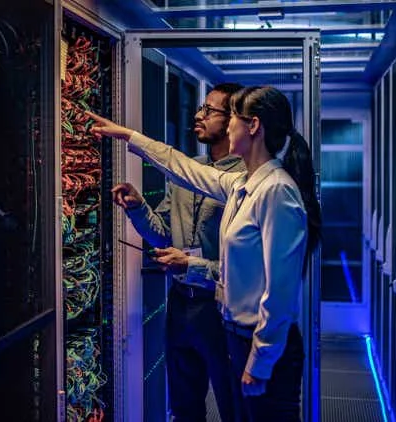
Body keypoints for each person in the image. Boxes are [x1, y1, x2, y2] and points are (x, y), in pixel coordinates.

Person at [86, 85, 322, 422]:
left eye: (232, 119)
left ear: (252, 126)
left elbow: (281, 292)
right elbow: (182, 167)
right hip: (238, 336)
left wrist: (261, 361)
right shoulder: (243, 185)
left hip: (261, 345)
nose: (227, 128)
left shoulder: (277, 191)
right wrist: (128, 136)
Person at [111, 83, 245, 422]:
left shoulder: (246, 180)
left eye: (210, 110)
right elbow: (162, 236)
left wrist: (192, 264)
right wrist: (138, 207)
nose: (198, 115)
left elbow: (248, 269)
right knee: (184, 407)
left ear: (233, 121)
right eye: (201, 108)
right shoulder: (185, 173)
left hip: (221, 307)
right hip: (182, 304)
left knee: (233, 405)